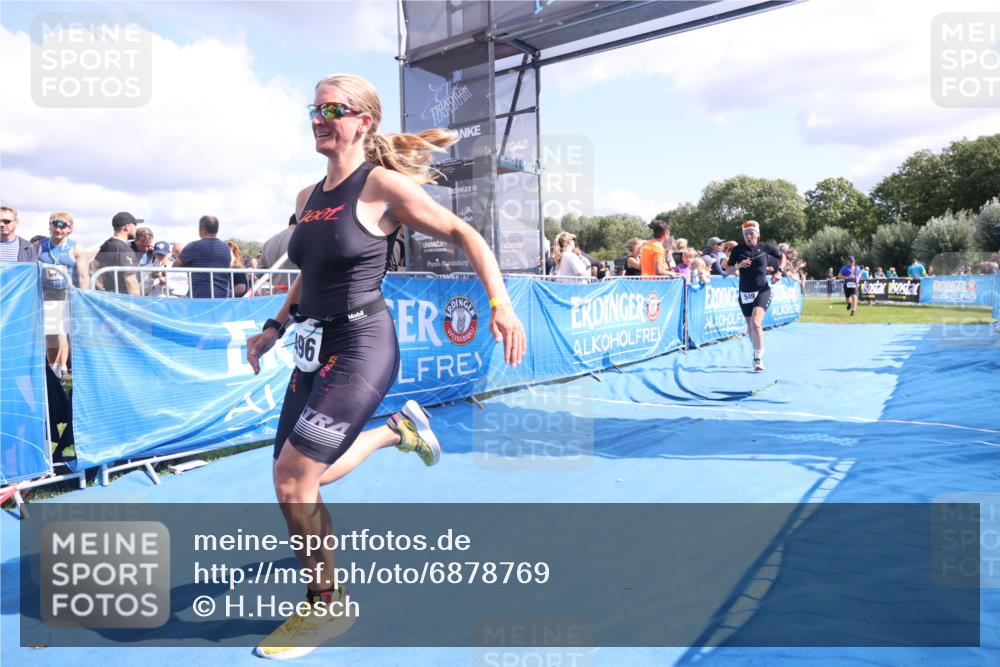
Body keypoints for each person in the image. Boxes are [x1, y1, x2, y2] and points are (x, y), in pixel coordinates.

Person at [243, 73, 526, 660]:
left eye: (333, 109)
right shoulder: (307, 198)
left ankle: (327, 606)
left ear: (363, 121)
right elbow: (308, 275)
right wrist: (275, 327)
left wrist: (501, 305)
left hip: (363, 344)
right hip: (314, 345)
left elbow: (465, 232)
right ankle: (397, 433)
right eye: (314, 108)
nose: (319, 118)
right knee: (293, 479)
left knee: (295, 478)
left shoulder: (381, 186)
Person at [724, 220, 783, 371]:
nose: (748, 236)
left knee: (756, 322)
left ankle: (758, 358)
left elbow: (783, 257)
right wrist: (738, 265)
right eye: (745, 234)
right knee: (750, 327)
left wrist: (779, 271)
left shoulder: (765, 247)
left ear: (757, 234)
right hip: (745, 292)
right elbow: (728, 269)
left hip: (762, 290)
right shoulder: (737, 250)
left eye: (751, 233)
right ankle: (757, 350)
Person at [36, 212, 90, 378]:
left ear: (70, 229)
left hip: (68, 294)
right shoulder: (38, 246)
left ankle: (63, 367)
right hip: (47, 294)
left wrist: (83, 296)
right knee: (51, 332)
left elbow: (83, 275)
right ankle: (53, 367)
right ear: (50, 226)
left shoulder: (76, 248)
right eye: (55, 224)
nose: (58, 229)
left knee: (63, 331)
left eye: (63, 225)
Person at [175, 215, 232, 298]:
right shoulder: (226, 248)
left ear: (201, 228)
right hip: (221, 298)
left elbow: (175, 266)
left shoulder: (193, 246)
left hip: (199, 299)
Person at [94, 212, 140, 294]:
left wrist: (102, 289)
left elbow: (94, 267)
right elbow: (130, 279)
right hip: (124, 299)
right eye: (134, 225)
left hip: (109, 297)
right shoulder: (124, 249)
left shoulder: (106, 245)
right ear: (127, 227)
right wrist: (138, 303)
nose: (136, 229)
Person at [258, 213, 301, 292]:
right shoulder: (302, 238)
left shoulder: (269, 242)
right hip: (297, 295)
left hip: (274, 296)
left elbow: (260, 272)